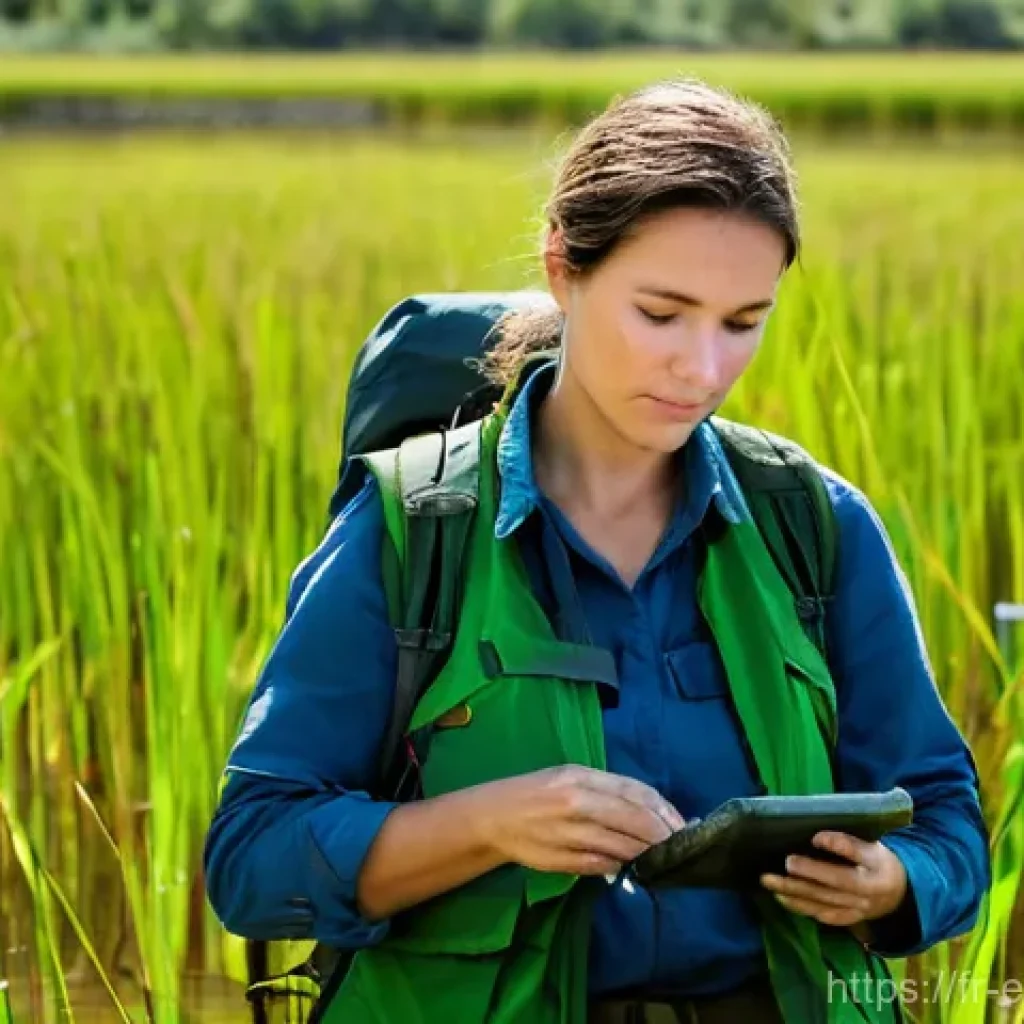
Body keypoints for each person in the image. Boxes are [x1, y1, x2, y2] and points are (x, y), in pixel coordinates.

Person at [204, 80, 991, 1024]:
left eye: (744, 322)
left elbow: (947, 820)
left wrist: (893, 883)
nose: (701, 369)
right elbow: (252, 859)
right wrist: (493, 822)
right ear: (563, 268)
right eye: (661, 314)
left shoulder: (817, 529)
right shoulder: (411, 531)